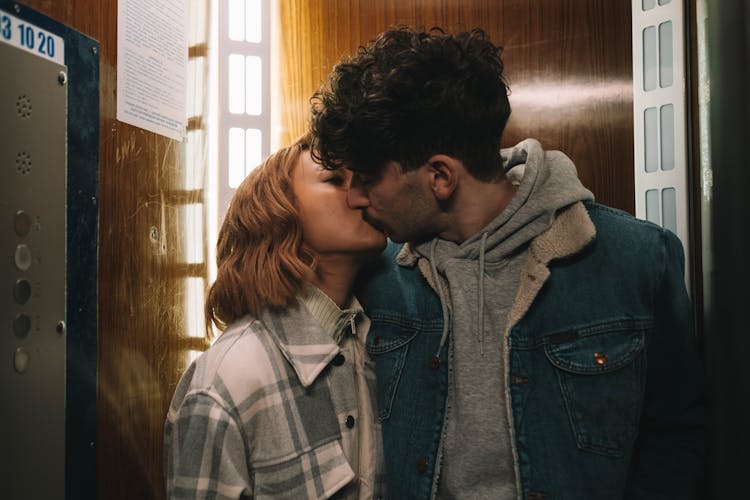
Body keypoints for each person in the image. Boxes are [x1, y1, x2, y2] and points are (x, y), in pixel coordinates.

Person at [310, 27, 705, 499]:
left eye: (367, 178)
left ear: (440, 176)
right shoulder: (382, 274)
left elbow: (675, 441)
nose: (353, 197)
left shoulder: (638, 260)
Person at [163, 135, 387, 499]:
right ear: (279, 216)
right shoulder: (227, 379)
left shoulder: (381, 348)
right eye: (334, 179)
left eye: (363, 179)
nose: (362, 194)